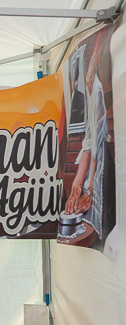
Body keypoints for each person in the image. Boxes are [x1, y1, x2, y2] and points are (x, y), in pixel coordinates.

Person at [65, 46, 107, 239]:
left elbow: (98, 147)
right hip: (92, 175)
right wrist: (76, 186)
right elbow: (88, 146)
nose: (76, 84)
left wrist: (90, 189)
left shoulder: (97, 92)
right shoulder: (89, 97)